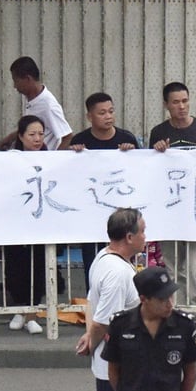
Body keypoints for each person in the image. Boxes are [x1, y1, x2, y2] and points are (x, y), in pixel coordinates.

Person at [74, 208, 146, 391]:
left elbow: (93, 305)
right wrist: (93, 338)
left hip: (104, 350)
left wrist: (90, 337)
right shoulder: (118, 273)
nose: (145, 237)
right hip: (118, 354)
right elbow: (107, 318)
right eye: (142, 231)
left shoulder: (102, 259)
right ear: (129, 237)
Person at [149, 81, 196, 333]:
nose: (181, 106)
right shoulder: (158, 132)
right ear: (166, 105)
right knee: (171, 265)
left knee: (195, 266)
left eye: (185, 101)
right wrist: (158, 152)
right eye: (176, 102)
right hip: (171, 211)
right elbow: (150, 169)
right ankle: (174, 311)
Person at [69, 92, 142, 293]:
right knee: (92, 263)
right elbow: (70, 175)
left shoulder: (126, 139)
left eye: (111, 111)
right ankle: (94, 305)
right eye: (102, 113)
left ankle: (127, 303)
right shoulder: (80, 141)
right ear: (89, 116)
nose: (108, 116)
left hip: (121, 215)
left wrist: (132, 152)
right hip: (91, 216)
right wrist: (73, 154)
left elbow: (140, 170)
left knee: (125, 262)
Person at [5, 115, 61, 336]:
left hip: (41, 222)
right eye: (32, 134)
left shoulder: (52, 159)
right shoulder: (9, 159)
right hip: (15, 222)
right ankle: (19, 309)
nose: (37, 139)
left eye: (41, 134)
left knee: (39, 265)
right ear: (20, 136)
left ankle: (33, 313)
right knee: (15, 265)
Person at [0, 56, 72, 151]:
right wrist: (10, 138)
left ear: (27, 79)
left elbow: (67, 137)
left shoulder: (48, 106)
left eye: (16, 81)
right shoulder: (32, 100)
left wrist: (53, 159)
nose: (15, 86)